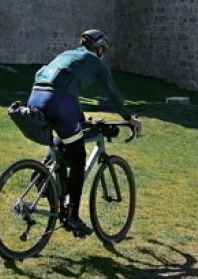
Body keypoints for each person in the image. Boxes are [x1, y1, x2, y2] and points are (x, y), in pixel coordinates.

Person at [26, 29, 139, 237]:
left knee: (63, 139)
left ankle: (43, 171)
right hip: (59, 100)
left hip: (35, 96)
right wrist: (128, 118)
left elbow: (66, 87)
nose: (102, 54)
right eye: (102, 50)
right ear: (98, 48)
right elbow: (112, 94)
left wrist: (79, 116)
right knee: (78, 158)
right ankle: (73, 216)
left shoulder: (67, 55)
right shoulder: (95, 63)